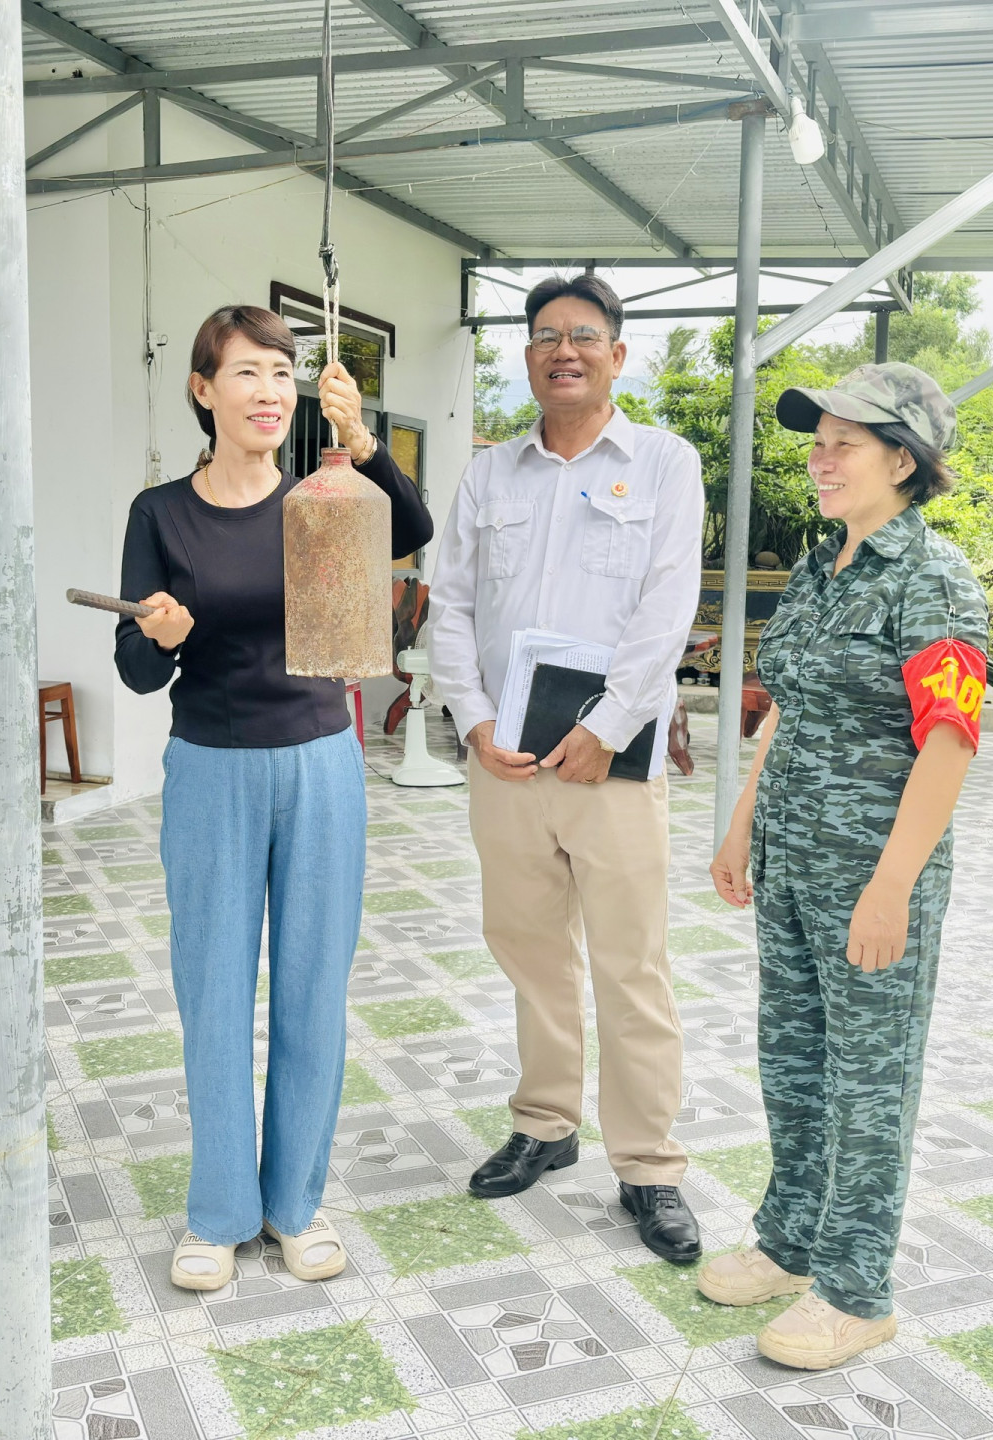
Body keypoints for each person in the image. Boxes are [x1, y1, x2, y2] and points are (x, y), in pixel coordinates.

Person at [115, 304, 432, 1292]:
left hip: (321, 762)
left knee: (310, 987)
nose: (267, 391)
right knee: (212, 989)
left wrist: (362, 441)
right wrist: (159, 633)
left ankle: (295, 1203)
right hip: (211, 767)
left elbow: (413, 529)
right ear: (204, 389)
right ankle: (217, 1212)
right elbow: (130, 667)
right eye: (246, 372)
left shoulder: (325, 497)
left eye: (282, 373)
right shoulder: (160, 513)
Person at [702, 363, 988, 1369]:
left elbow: (949, 741)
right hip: (789, 865)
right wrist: (741, 823)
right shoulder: (827, 568)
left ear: (903, 461)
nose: (821, 459)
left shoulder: (933, 580)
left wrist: (892, 887)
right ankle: (789, 1240)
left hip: (873, 873)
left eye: (844, 443)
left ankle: (857, 1289)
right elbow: (789, 704)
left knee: (870, 1083)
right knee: (794, 1065)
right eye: (816, 441)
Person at [429, 275, 706, 1263]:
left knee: (632, 964)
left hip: (612, 765)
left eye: (584, 337)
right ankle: (545, 1125)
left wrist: (610, 722)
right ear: (529, 355)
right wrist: (473, 720)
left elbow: (667, 609)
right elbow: (449, 603)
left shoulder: (667, 467)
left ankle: (649, 1167)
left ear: (617, 356)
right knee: (529, 950)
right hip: (506, 761)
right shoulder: (488, 476)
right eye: (545, 337)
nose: (564, 352)